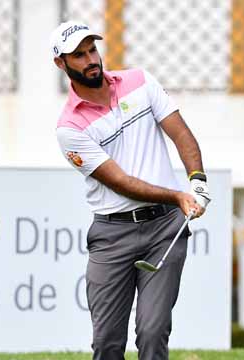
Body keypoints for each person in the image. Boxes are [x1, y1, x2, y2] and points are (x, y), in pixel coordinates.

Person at [51, 21, 211, 360]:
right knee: (107, 343)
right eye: (78, 55)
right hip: (112, 235)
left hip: (164, 229)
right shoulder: (69, 128)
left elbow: (181, 134)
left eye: (92, 50)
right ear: (61, 64)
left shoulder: (140, 82)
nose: (90, 59)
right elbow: (121, 182)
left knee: (153, 333)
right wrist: (178, 195)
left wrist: (196, 180)